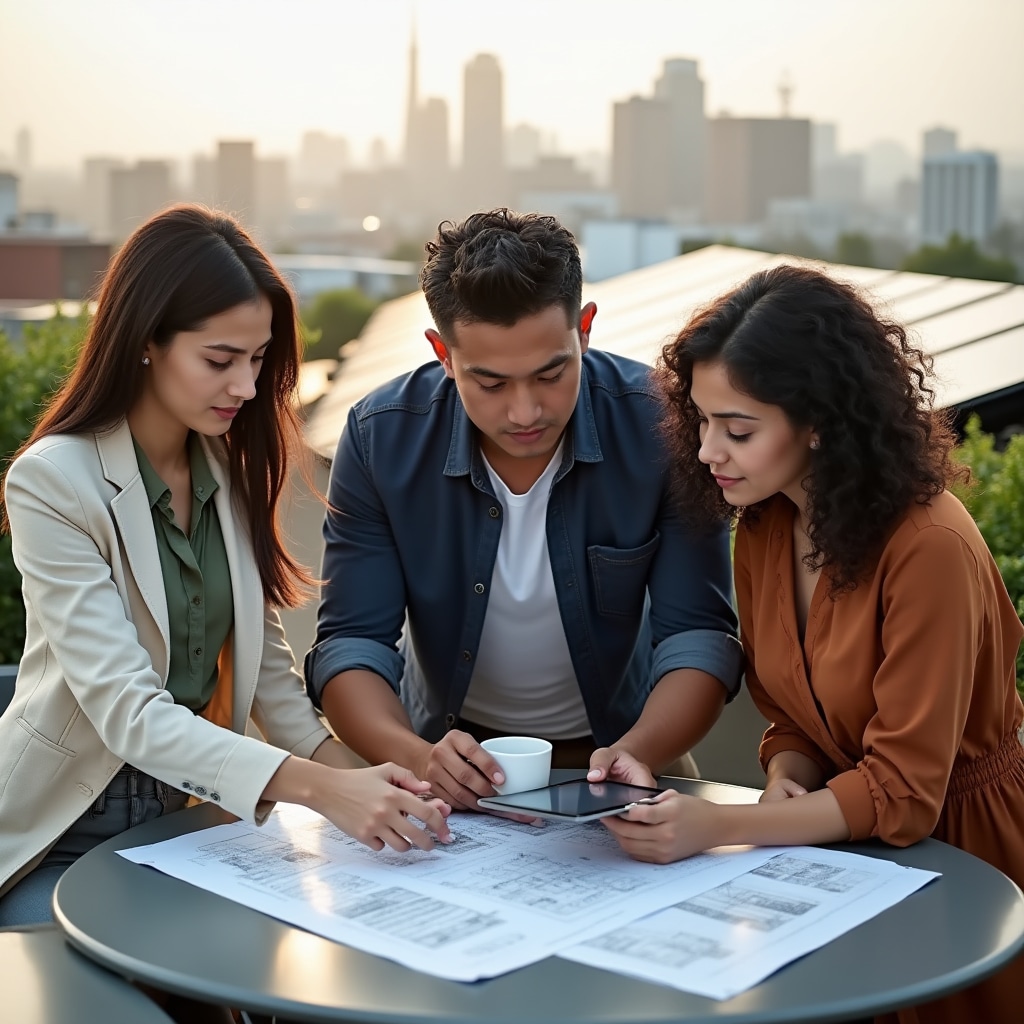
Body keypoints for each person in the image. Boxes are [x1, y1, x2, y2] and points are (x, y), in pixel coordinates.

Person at [0, 206, 451, 934]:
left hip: (193, 821)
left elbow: (274, 689)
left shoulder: (229, 466)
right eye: (220, 359)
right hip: (62, 831)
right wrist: (324, 793)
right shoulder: (54, 481)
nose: (245, 385)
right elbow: (129, 714)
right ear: (148, 341)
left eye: (257, 358)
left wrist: (378, 782)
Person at [605, 263, 1024, 1023]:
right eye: (699, 421)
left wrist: (722, 826)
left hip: (961, 859)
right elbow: (796, 714)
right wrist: (788, 772)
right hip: (838, 853)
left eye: (738, 430)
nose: (707, 452)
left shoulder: (928, 548)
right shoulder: (766, 522)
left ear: (820, 420)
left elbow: (903, 794)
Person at [305, 208, 742, 813]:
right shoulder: (381, 439)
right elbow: (352, 643)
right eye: (490, 384)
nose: (525, 412)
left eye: (552, 372)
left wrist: (639, 751)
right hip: (442, 763)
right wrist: (414, 755)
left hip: (633, 756)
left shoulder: (660, 425)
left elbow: (698, 635)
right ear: (441, 352)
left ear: (584, 330)